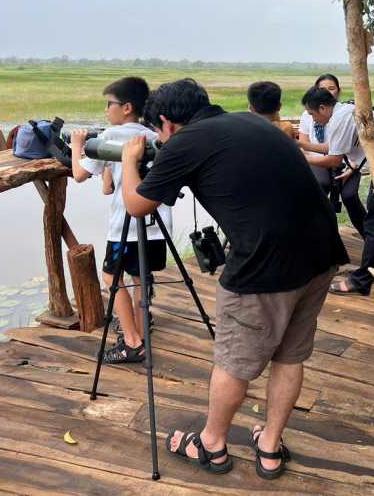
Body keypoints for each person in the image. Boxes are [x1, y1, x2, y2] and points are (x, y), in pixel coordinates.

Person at [119, 79, 348, 479]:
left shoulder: (185, 141)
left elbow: (137, 204)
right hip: (321, 253)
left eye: (157, 130)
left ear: (168, 124)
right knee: (290, 356)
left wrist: (127, 159)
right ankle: (270, 446)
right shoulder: (250, 121)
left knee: (234, 361)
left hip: (266, 266)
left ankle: (211, 444)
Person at [69, 76, 173, 364]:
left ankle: (131, 341)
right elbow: (107, 186)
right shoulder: (152, 135)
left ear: (126, 107)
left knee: (112, 278)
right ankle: (141, 327)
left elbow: (78, 174)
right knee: (141, 278)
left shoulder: (112, 137)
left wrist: (78, 144)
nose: (106, 110)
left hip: (125, 225)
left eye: (109, 104)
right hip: (156, 224)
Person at [301, 86, 374, 297]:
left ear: (322, 108)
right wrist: (352, 167)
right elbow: (343, 146)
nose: (313, 120)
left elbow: (333, 159)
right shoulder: (345, 111)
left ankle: (363, 280)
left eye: (312, 114)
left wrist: (302, 157)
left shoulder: (339, 119)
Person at [298, 73, 367, 236]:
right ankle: (324, 237)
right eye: (322, 89)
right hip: (320, 159)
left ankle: (371, 239)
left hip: (347, 161)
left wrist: (352, 166)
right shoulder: (309, 114)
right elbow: (304, 143)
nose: (328, 92)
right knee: (321, 186)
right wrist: (308, 156)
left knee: (350, 196)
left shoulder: (343, 115)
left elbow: (354, 149)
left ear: (338, 92)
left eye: (331, 88)